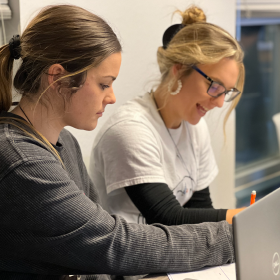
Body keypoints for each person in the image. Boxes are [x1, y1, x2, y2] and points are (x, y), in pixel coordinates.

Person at [0, 4, 235, 280]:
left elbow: (96, 260)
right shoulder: (21, 160)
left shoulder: (65, 141)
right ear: (58, 78)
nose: (111, 97)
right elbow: (115, 245)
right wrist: (233, 236)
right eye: (104, 84)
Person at [90, 6, 245, 226]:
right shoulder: (130, 130)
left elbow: (200, 212)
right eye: (215, 86)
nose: (219, 103)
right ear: (179, 70)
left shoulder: (194, 127)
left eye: (226, 92)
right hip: (130, 254)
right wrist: (244, 218)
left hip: (169, 251)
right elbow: (168, 217)